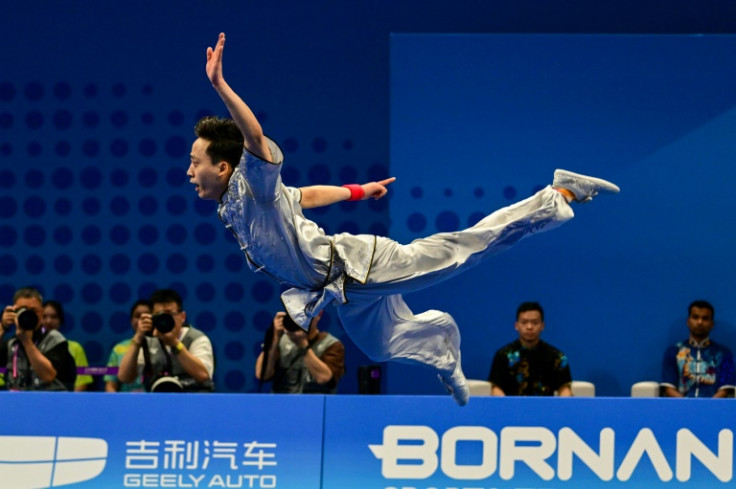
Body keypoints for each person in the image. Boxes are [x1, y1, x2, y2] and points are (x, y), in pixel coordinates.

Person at [188, 32, 619, 405]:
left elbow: (255, 137)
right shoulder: (236, 205)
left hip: (361, 265)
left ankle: (558, 193)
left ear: (224, 167)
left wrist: (220, 85)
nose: (190, 172)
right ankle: (446, 356)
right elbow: (305, 195)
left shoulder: (252, 183)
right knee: (381, 345)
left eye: (195, 162)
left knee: (464, 249)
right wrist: (360, 190)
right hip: (341, 291)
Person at [117, 289, 215, 392]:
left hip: (194, 400)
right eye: (159, 315)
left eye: (169, 314)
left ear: (182, 316)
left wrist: (174, 343)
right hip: (157, 402)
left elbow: (203, 375)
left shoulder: (197, 339)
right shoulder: (148, 341)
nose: (165, 319)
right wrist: (137, 338)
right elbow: (124, 377)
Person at [488, 302, 572, 396]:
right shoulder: (503, 355)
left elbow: (565, 390)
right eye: (524, 322)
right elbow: (496, 389)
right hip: (512, 408)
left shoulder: (556, 357)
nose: (529, 327)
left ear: (542, 326)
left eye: (535, 322)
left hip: (545, 409)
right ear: (516, 325)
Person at [0, 287, 76, 391]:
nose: (29, 314)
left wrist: (27, 342)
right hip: (17, 403)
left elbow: (48, 376)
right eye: (23, 310)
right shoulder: (12, 343)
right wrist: (2, 327)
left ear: (41, 312)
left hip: (50, 402)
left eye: (33, 310)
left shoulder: (55, 339)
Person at [255, 311, 345, 393]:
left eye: (307, 314)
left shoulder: (332, 344)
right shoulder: (280, 342)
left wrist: (302, 345)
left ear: (319, 314)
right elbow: (262, 375)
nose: (302, 320)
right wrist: (274, 339)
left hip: (315, 405)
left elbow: (324, 378)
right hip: (282, 404)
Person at [661, 300, 735, 398]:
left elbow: (724, 390)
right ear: (688, 321)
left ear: (711, 324)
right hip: (681, 407)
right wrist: (688, 406)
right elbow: (669, 388)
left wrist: (708, 407)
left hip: (713, 408)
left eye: (705, 318)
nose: (699, 322)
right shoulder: (674, 351)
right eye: (695, 317)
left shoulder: (724, 353)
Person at [42, 300, 94, 391]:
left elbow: (82, 381)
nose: (49, 321)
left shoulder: (75, 348)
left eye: (54, 317)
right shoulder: (32, 348)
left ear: (61, 320)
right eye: (44, 316)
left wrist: (72, 403)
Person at [104, 299, 151, 392]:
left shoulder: (162, 345)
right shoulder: (118, 349)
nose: (141, 320)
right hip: (126, 402)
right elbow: (110, 384)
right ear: (131, 320)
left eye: (146, 316)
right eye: (137, 316)